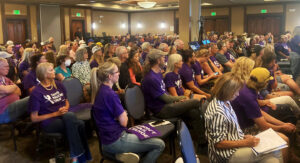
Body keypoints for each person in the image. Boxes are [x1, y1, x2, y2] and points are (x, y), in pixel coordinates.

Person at [91, 62, 165, 163]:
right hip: (115, 140)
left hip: (107, 140)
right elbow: (124, 122)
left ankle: (122, 154)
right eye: (117, 72)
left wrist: (121, 115)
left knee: (141, 149)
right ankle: (121, 153)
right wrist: (123, 114)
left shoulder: (101, 91)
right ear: (109, 76)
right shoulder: (110, 94)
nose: (119, 74)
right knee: (159, 144)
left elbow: (112, 116)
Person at [205, 72, 282, 163]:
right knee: (276, 150)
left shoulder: (225, 101)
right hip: (227, 155)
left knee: (272, 160)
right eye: (236, 91)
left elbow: (230, 132)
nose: (238, 94)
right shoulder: (217, 112)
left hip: (236, 144)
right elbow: (218, 143)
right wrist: (244, 142)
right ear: (227, 91)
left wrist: (243, 137)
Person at [230, 67, 299, 162]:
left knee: (287, 121)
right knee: (284, 139)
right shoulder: (248, 97)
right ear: (263, 83)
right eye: (267, 82)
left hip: (247, 122)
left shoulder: (247, 86)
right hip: (243, 131)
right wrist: (282, 127)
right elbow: (264, 126)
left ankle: (290, 154)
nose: (268, 84)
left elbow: (260, 112)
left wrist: (282, 124)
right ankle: (288, 156)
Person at [141, 49, 207, 147]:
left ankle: (203, 142)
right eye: (163, 58)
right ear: (158, 60)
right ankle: (212, 127)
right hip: (160, 110)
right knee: (196, 101)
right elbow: (165, 99)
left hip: (167, 105)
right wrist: (181, 98)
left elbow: (166, 93)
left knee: (194, 112)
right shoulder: (151, 78)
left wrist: (177, 100)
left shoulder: (157, 73)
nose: (165, 59)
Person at [29, 62, 91, 163]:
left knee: (75, 120)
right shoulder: (37, 92)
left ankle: (76, 157)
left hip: (64, 115)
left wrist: (65, 108)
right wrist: (55, 114)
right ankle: (81, 157)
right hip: (49, 122)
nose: (54, 71)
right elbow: (34, 118)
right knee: (78, 123)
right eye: (51, 70)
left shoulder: (58, 85)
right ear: (44, 74)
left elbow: (66, 101)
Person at [0, 58, 28, 124]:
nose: (8, 68)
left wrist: (6, 92)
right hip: (3, 113)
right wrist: (13, 88)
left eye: (8, 66)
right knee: (33, 98)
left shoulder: (6, 79)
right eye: (5, 66)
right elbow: (6, 90)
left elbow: (19, 91)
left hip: (13, 108)